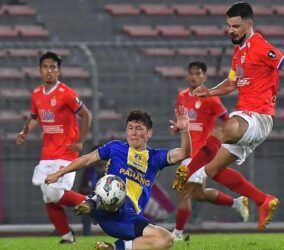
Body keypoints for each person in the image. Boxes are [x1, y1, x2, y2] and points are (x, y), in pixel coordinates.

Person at [173, 2, 284, 231]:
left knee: (219, 130)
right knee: (213, 171)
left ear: (249, 23)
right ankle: (263, 200)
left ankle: (187, 171)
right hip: (247, 120)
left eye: (235, 26)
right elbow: (231, 83)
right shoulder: (239, 52)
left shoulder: (259, 46)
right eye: (228, 26)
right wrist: (210, 91)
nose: (231, 30)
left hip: (257, 117)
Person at [45, 108, 191, 250]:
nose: (133, 133)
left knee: (166, 239)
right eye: (130, 128)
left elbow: (184, 153)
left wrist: (184, 130)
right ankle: (91, 202)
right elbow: (87, 159)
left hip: (127, 220)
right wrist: (60, 173)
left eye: (139, 128)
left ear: (149, 133)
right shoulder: (115, 147)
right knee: (53, 192)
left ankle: (113, 246)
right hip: (106, 207)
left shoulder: (156, 157)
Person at [16, 51, 92, 243]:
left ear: (59, 71)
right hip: (47, 153)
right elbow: (34, 117)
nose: (49, 71)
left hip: (66, 152)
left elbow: (87, 115)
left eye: (53, 67)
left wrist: (81, 140)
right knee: (48, 197)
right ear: (39, 70)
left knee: (53, 193)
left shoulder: (66, 93)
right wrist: (25, 131)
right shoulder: (36, 94)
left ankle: (93, 204)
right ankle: (68, 237)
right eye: (45, 67)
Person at [171, 61, 249, 241]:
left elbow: (228, 120)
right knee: (197, 194)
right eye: (191, 73)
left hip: (201, 155)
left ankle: (177, 234)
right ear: (186, 76)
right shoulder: (181, 96)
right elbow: (184, 121)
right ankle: (236, 202)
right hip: (187, 152)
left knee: (183, 190)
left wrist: (222, 138)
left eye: (198, 74)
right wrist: (178, 128)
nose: (194, 77)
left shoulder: (212, 98)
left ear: (204, 77)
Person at [78, 148, 106, 236]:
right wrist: (88, 191)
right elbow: (82, 188)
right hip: (91, 198)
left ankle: (111, 234)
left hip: (106, 200)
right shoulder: (89, 170)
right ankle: (87, 234)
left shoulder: (110, 169)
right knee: (85, 206)